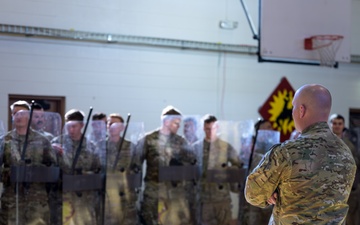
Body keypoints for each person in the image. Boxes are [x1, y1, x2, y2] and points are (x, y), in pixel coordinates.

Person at [245, 84, 357, 224]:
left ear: (301, 110)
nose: (292, 113)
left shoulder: (286, 152)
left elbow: (253, 193)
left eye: (293, 107)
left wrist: (271, 192)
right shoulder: (346, 153)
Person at [131, 105, 197, 225]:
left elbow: (193, 163)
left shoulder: (181, 141)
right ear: (166, 122)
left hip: (175, 196)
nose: (178, 127)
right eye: (176, 123)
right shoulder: (148, 140)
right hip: (154, 195)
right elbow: (135, 165)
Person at [0, 100, 57, 225]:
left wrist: (35, 171)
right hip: (11, 201)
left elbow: (53, 167)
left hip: (37, 200)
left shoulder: (43, 140)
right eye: (15, 113)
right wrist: (10, 173)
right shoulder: (5, 141)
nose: (18, 116)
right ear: (11, 117)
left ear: (29, 116)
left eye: (22, 113)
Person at [51, 109, 101, 225]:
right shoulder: (57, 142)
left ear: (82, 125)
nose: (71, 130)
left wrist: (83, 175)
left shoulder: (91, 146)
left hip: (84, 198)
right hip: (62, 197)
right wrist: (51, 149)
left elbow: (97, 171)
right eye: (68, 126)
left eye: (74, 126)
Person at [195, 114, 243, 225]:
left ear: (217, 128)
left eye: (212, 128)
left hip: (222, 198)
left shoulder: (225, 146)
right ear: (203, 128)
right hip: (203, 198)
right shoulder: (197, 147)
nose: (209, 131)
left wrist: (227, 171)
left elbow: (239, 166)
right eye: (207, 129)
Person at [103, 113, 138, 224]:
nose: (111, 126)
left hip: (126, 195)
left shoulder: (130, 146)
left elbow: (137, 168)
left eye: (115, 124)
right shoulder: (100, 145)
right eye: (109, 123)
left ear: (122, 127)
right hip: (107, 196)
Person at [329, 113, 360, 225]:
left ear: (343, 125)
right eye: (334, 123)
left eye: (340, 123)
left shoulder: (350, 144)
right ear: (330, 124)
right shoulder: (325, 143)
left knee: (349, 218)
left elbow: (356, 163)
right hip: (328, 190)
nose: (337, 126)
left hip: (348, 190)